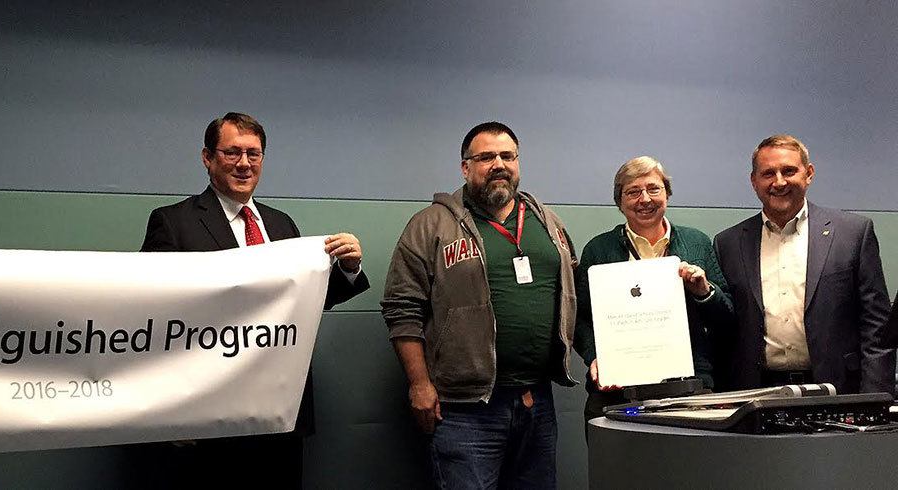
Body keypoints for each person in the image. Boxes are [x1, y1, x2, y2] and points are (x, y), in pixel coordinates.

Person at [138, 111, 369, 488]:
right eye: (232, 152)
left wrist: (349, 268)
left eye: (254, 153)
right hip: (208, 413)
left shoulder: (282, 225)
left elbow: (308, 301)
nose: (244, 163)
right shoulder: (173, 222)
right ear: (207, 158)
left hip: (280, 413)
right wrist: (170, 411)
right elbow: (153, 316)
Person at [381, 121, 578, 489]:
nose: (498, 164)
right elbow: (402, 309)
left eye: (507, 156)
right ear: (465, 167)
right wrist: (419, 384)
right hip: (464, 411)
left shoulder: (548, 223)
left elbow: (573, 292)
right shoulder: (430, 225)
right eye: (486, 157)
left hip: (537, 402)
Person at [714, 134, 894, 395]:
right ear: (754, 181)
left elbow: (877, 328)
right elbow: (725, 329)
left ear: (808, 174)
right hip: (756, 393)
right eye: (768, 173)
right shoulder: (728, 243)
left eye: (789, 171)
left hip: (837, 389)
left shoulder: (853, 233)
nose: (779, 182)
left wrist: (876, 398)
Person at [572, 156, 733, 421]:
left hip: (688, 389)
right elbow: (579, 318)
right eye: (633, 192)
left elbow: (727, 318)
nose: (644, 199)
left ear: (667, 194)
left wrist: (704, 291)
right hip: (617, 391)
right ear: (620, 203)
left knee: (686, 463)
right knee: (617, 463)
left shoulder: (697, 243)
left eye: (653, 189)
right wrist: (594, 356)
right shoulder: (598, 250)